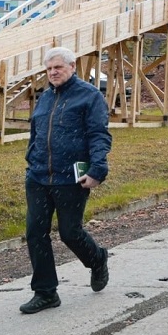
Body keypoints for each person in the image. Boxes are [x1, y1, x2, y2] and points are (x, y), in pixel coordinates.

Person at [20, 47, 112, 314]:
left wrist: (97, 170)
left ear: (73, 66)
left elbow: (99, 135)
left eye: (58, 67)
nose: (53, 72)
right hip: (38, 176)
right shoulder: (45, 97)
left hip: (70, 177)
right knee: (36, 233)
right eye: (49, 69)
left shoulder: (89, 96)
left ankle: (97, 260)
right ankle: (46, 292)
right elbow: (36, 132)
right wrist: (31, 160)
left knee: (70, 233)